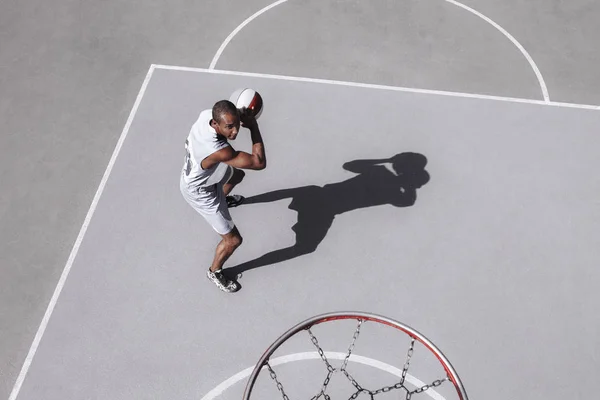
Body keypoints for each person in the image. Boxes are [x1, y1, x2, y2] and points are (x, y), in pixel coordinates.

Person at [180, 99, 266, 293]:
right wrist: (253, 126)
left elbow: (226, 110)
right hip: (200, 193)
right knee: (234, 240)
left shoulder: (206, 115)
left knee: (238, 175)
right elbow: (258, 162)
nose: (235, 131)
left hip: (203, 174)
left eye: (237, 125)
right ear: (216, 124)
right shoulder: (219, 150)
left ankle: (224, 200)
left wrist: (239, 111)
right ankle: (214, 271)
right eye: (229, 127)